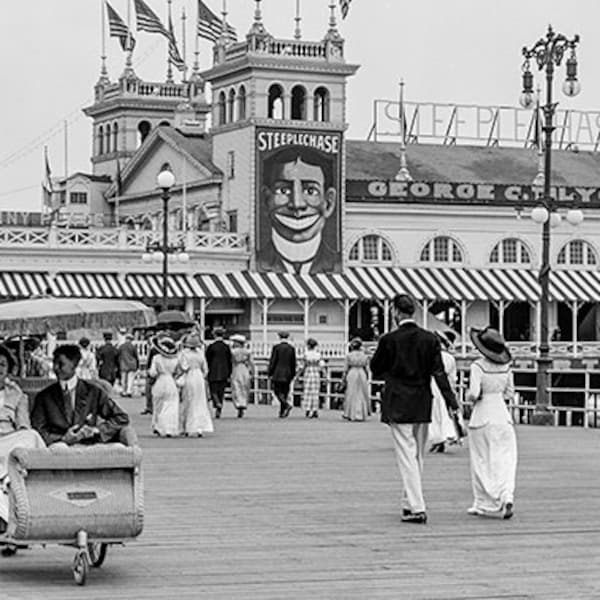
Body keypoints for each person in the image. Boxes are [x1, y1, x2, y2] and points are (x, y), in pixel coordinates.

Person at [370, 294, 458, 525]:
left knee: (406, 455)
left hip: (398, 399)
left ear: (396, 312)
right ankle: (409, 503)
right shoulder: (429, 339)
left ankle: (417, 506)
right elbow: (439, 372)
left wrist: (393, 370)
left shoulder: (389, 339)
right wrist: (451, 401)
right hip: (422, 400)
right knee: (417, 455)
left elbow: (376, 368)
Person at [258, 148, 339, 274]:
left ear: (329, 203)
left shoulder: (337, 264)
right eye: (283, 191)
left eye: (310, 191)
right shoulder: (257, 262)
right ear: (266, 200)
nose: (297, 204)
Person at [31, 344, 130, 447]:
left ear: (74, 364)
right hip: (58, 448)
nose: (55, 368)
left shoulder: (94, 392)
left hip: (89, 446)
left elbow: (121, 418)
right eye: (54, 363)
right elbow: (37, 429)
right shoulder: (44, 396)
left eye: (61, 364)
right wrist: (63, 439)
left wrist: (96, 430)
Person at [465, 327, 517, 520]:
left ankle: (482, 502)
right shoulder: (507, 367)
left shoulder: (477, 366)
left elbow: (474, 393)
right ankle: (506, 495)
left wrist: (468, 398)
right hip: (503, 417)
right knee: (505, 459)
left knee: (481, 460)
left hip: (483, 416)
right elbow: (510, 393)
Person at [0, 346, 45, 538]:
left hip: (9, 443)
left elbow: (24, 426)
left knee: (32, 435)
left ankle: (37, 472)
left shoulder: (17, 394)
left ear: (8, 369)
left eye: (2, 365)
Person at [428, 330, 460, 453]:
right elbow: (453, 376)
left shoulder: (432, 356)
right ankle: (448, 434)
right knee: (446, 411)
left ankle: (438, 438)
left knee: (434, 412)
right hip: (446, 385)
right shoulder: (450, 358)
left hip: (433, 384)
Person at [177, 334, 213, 437]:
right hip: (199, 377)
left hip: (189, 376)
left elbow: (183, 367)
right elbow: (205, 369)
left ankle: (186, 427)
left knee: (187, 401)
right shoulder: (201, 354)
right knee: (200, 402)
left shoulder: (184, 354)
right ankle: (199, 427)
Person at [148, 336, 180, 437]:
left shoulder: (156, 358)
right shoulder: (175, 359)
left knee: (158, 406)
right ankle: (169, 427)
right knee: (171, 406)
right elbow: (178, 372)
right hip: (170, 381)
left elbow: (152, 373)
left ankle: (157, 425)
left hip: (160, 381)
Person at [268, 331, 297, 418]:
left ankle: (286, 405)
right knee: (285, 392)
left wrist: (270, 372)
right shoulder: (291, 348)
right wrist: (293, 373)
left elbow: (273, 361)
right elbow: (293, 362)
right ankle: (282, 411)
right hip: (288, 373)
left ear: (279, 337)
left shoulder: (276, 348)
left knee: (276, 390)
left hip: (278, 372)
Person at [205, 327, 232, 419]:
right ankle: (219, 410)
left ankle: (216, 402)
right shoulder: (226, 347)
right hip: (224, 372)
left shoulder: (211, 347)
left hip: (213, 371)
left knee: (213, 390)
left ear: (214, 335)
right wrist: (229, 372)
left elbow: (207, 360)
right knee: (221, 391)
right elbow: (229, 360)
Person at [342, 337, 371, 422]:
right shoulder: (365, 356)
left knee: (351, 392)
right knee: (362, 392)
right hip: (361, 372)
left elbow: (345, 368)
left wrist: (343, 378)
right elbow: (367, 367)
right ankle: (361, 413)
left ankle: (350, 413)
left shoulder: (349, 355)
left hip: (352, 372)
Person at [299, 338, 324, 418]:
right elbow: (322, 365)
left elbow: (302, 366)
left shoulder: (306, 354)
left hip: (308, 372)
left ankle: (308, 409)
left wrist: (298, 375)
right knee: (315, 392)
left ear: (308, 346)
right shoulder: (318, 354)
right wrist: (325, 374)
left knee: (307, 391)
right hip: (316, 373)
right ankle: (315, 410)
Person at [230, 334, 252, 418]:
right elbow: (251, 362)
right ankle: (243, 402)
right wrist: (252, 371)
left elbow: (232, 361)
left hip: (236, 368)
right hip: (244, 368)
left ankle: (239, 403)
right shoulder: (247, 351)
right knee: (245, 386)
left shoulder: (233, 352)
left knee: (236, 386)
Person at [118, 333, 139, 397]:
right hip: (132, 364)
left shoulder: (121, 346)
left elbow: (118, 355)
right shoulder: (133, 347)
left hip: (124, 364)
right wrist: (137, 364)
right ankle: (129, 391)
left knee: (123, 379)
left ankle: (124, 391)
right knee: (130, 379)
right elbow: (136, 356)